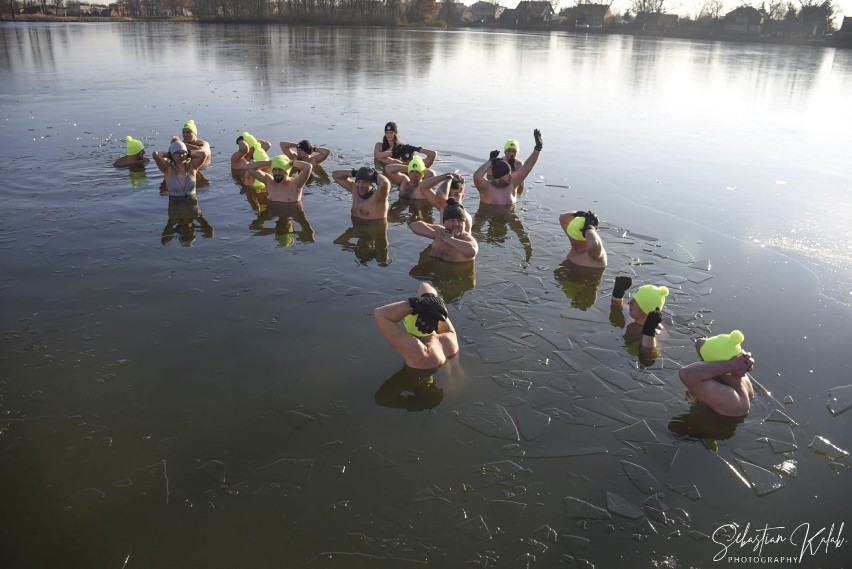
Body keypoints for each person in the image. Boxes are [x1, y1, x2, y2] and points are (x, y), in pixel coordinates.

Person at [373, 282, 458, 369]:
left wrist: (416, 304)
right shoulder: (449, 337)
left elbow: (380, 314)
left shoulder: (420, 354)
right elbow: (425, 285)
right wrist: (428, 301)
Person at [678, 330, 755, 417]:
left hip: (709, 428)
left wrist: (729, 365)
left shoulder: (731, 397)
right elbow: (700, 343)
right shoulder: (738, 371)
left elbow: (686, 373)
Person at [154, 138, 213, 245]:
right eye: (177, 153)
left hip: (192, 201)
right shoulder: (168, 169)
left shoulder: (192, 168)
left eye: (183, 153)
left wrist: (189, 153)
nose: (181, 155)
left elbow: (203, 154)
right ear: (172, 155)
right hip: (174, 204)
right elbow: (155, 154)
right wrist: (169, 154)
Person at [473, 129, 542, 206]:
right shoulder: (486, 187)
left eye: (514, 151)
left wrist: (537, 149)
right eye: (507, 174)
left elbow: (528, 166)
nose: (511, 175)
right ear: (498, 177)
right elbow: (477, 176)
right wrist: (491, 161)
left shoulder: (512, 183)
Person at [610, 278, 668, 364]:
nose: (629, 303)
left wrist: (649, 332)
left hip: (631, 361)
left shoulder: (657, 331)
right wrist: (618, 294)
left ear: (646, 309)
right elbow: (617, 308)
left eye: (635, 302)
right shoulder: (633, 315)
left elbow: (649, 357)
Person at [410, 199, 478, 262]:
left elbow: (472, 251)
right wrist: (434, 233)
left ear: (464, 223)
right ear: (444, 222)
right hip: (433, 271)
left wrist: (450, 239)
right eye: (452, 220)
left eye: (460, 220)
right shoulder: (441, 231)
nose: (456, 224)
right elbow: (414, 225)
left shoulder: (466, 239)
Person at [246, 154, 313, 203]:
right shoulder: (269, 181)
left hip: (292, 213)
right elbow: (249, 167)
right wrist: (271, 162)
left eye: (280, 170)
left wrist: (292, 162)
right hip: (272, 214)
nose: (277, 173)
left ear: (286, 171)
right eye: (274, 169)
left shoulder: (296, 184)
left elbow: (308, 167)